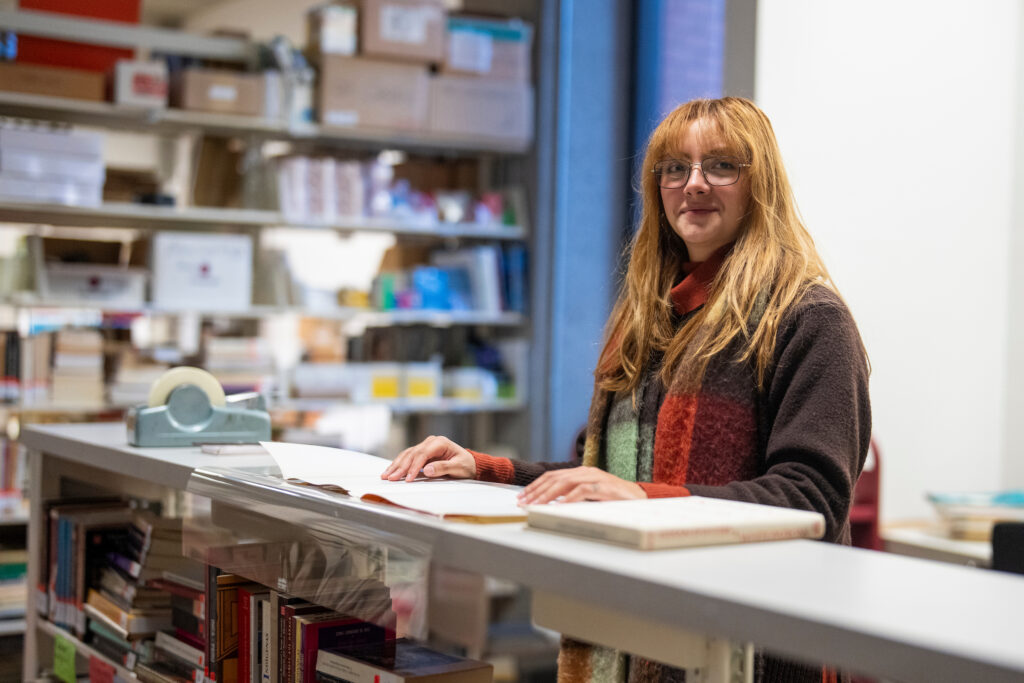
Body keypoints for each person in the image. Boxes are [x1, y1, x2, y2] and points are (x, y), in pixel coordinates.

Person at [382, 97, 871, 683]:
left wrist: (644, 500)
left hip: (752, 651)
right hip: (631, 633)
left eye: (720, 165)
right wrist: (485, 469)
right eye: (674, 168)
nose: (693, 185)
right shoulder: (651, 318)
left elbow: (811, 500)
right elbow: (604, 478)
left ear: (759, 183)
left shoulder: (808, 319)